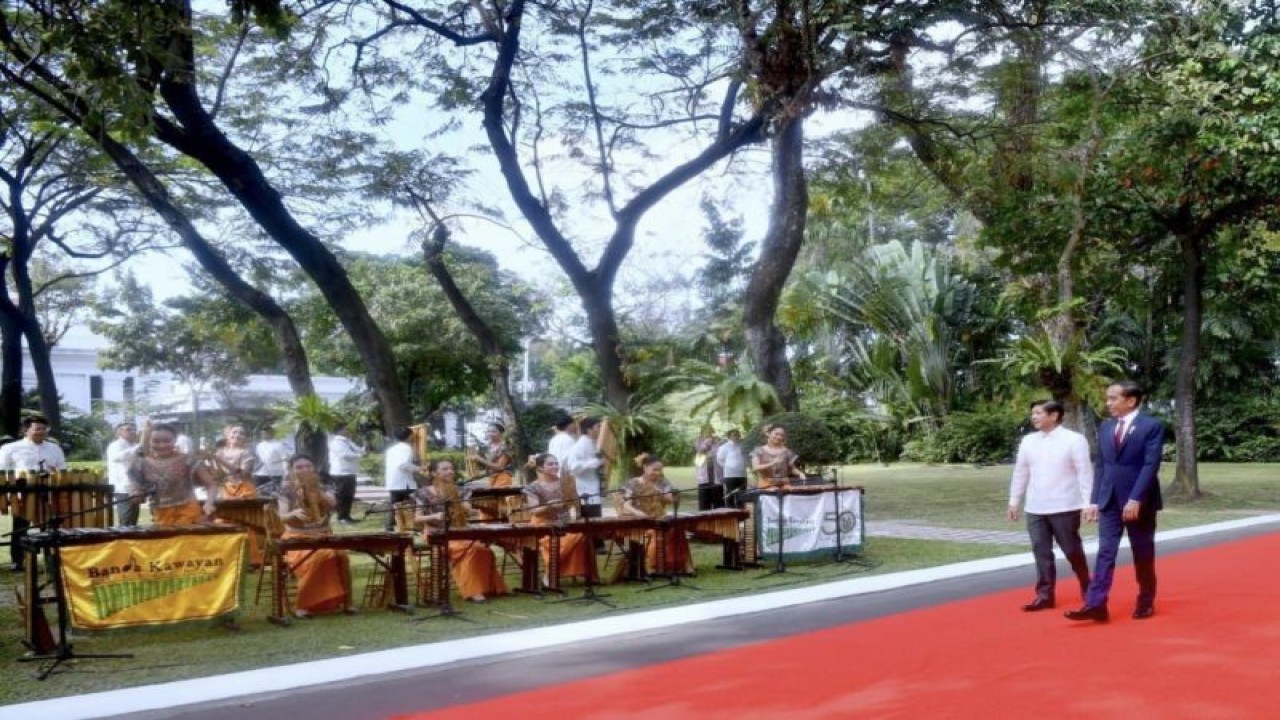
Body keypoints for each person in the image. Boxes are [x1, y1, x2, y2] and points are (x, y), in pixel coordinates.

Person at [1067, 381, 1165, 623]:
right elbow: (1101, 465)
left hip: (1139, 503)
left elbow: (1150, 465)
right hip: (1109, 500)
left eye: (1113, 398)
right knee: (1105, 552)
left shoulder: (1151, 426)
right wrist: (1093, 501)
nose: (1108, 403)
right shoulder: (1106, 426)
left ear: (1130, 401)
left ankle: (1145, 600)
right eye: (1107, 398)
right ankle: (1096, 604)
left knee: (1142, 552)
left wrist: (1136, 498)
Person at [1007, 400, 1093, 612]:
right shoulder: (1028, 441)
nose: (1033, 417)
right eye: (1033, 413)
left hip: (1065, 505)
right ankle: (1045, 595)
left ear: (1054, 415)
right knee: (1041, 551)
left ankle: (1088, 586)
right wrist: (1014, 500)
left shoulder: (1074, 440)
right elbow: (1021, 472)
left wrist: (1088, 503)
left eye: (1038, 413)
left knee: (1072, 550)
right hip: (1035, 507)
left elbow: (1084, 473)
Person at [413, 459, 507, 603]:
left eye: (451, 469)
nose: (450, 472)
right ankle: (473, 591)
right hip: (437, 534)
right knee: (470, 550)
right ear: (434, 473)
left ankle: (490, 588)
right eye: (445, 469)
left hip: (459, 532)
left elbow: (468, 510)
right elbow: (417, 519)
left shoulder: (461, 491)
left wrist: (470, 507)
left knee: (484, 550)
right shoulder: (423, 493)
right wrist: (434, 516)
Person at [277, 454, 352, 617]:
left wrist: (315, 489)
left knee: (341, 555)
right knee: (320, 555)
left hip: (323, 536)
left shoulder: (324, 485)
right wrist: (294, 513)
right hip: (296, 539)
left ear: (314, 468)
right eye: (299, 467)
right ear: (291, 470)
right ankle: (303, 605)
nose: (304, 469)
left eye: (308, 466)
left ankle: (346, 602)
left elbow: (333, 504)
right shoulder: (286, 489)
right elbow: (282, 516)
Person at [0, 415, 68, 571]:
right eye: (37, 429)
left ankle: (51, 562)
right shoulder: (10, 448)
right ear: (26, 430)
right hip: (23, 495)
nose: (41, 432)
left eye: (44, 429)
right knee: (20, 529)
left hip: (49, 493)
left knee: (50, 529)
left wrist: (55, 473)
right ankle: (17, 561)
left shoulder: (54, 448)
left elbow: (62, 468)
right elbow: (3, 470)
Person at [128, 424, 218, 526]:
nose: (162, 445)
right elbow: (137, 494)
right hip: (160, 514)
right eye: (156, 441)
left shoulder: (188, 460)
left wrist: (209, 503)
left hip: (189, 512)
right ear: (149, 441)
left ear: (175, 441)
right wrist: (136, 495)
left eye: (167, 441)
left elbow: (211, 484)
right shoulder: (141, 464)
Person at [620, 453, 692, 575]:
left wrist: (662, 493)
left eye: (660, 470)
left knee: (677, 528)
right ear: (645, 467)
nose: (658, 473)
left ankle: (679, 565)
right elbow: (626, 504)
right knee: (658, 531)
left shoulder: (663, 482)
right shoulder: (633, 483)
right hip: (641, 520)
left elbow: (672, 500)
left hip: (660, 518)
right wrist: (638, 513)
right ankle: (653, 566)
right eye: (655, 470)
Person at [522, 453, 589, 583]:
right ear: (540, 468)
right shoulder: (533, 487)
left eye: (556, 463)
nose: (555, 466)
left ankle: (552, 572)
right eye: (550, 464)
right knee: (570, 538)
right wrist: (549, 506)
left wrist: (573, 508)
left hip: (564, 522)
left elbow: (574, 504)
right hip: (543, 526)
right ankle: (550, 573)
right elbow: (534, 511)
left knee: (581, 536)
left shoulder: (565, 483)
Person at [105, 421, 144, 526]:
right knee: (125, 517)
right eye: (128, 430)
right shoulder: (115, 445)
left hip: (135, 486)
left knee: (134, 518)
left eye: (134, 429)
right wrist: (137, 448)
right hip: (122, 487)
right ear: (119, 433)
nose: (132, 432)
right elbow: (118, 457)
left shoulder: (135, 446)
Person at [565, 417, 605, 519]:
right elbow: (573, 467)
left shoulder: (594, 443)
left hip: (594, 484)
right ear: (589, 429)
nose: (601, 429)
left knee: (596, 517)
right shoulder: (579, 446)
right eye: (598, 427)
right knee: (591, 517)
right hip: (586, 487)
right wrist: (596, 462)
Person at [383, 426, 419, 532]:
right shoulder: (406, 448)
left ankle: (390, 526)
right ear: (409, 436)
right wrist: (418, 468)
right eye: (412, 435)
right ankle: (412, 525)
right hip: (403, 482)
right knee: (413, 503)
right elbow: (402, 464)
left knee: (395, 504)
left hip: (394, 481)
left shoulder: (391, 449)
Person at [327, 423, 365, 524]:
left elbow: (359, 450)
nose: (348, 431)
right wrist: (360, 455)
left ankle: (347, 516)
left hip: (350, 472)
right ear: (339, 431)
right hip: (341, 473)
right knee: (342, 496)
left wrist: (365, 448)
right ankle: (341, 517)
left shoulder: (347, 441)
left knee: (349, 495)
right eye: (346, 429)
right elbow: (345, 455)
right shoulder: (336, 442)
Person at [750, 425, 803, 489]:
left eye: (782, 435)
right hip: (767, 484)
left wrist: (800, 473)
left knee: (792, 491)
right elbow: (755, 468)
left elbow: (792, 469)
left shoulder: (787, 451)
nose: (779, 437)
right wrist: (772, 463)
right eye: (776, 434)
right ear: (768, 434)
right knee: (775, 491)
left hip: (785, 484)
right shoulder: (758, 451)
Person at [216, 425, 259, 495]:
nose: (237, 435)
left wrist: (222, 461)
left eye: (241, 433)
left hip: (243, 491)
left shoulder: (247, 454)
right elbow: (216, 474)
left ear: (245, 438)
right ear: (227, 436)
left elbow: (243, 474)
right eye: (234, 432)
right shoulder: (220, 452)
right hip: (224, 490)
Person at [468, 423, 514, 487]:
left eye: (493, 431)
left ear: (501, 433)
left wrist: (479, 459)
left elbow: (500, 467)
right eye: (488, 431)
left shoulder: (505, 447)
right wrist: (475, 463)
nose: (490, 434)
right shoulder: (488, 447)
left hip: (503, 477)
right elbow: (487, 464)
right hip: (491, 477)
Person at [715, 429, 748, 508]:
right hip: (730, 475)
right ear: (729, 437)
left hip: (742, 474)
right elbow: (719, 459)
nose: (736, 437)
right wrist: (729, 466)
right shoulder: (724, 447)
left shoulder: (743, 446)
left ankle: (741, 511)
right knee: (730, 495)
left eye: (738, 435)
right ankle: (730, 511)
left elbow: (746, 457)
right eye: (734, 435)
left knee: (742, 495)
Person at [694, 430, 723, 510]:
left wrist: (713, 444)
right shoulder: (698, 441)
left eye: (710, 432)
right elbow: (700, 451)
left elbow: (718, 454)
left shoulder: (717, 442)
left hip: (716, 477)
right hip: (703, 478)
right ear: (702, 433)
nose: (708, 434)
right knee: (704, 504)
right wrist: (707, 443)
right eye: (706, 432)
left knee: (718, 504)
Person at [546, 416, 578, 481]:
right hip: (566, 477)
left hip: (555, 475)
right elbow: (570, 460)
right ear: (570, 425)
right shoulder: (568, 439)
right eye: (574, 423)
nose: (576, 426)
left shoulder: (553, 440)